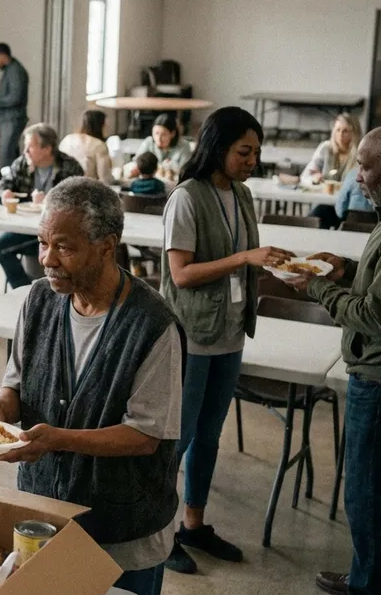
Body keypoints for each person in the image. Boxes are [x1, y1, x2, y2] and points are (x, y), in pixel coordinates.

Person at [0, 177, 184, 595]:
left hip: (122, 530)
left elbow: (144, 436)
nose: (48, 259)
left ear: (107, 246)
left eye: (64, 247)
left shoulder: (152, 326)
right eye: (42, 243)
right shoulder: (39, 300)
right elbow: (16, 384)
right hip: (44, 514)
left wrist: (56, 439)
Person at [159, 106, 294, 575]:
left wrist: (276, 264)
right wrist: (244, 258)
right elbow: (181, 274)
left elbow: (246, 257)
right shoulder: (187, 197)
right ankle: (158, 532)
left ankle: (193, 524)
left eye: (256, 152)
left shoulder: (243, 194)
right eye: (243, 151)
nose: (252, 160)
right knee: (178, 437)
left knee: (210, 436)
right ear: (217, 147)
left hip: (231, 331)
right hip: (193, 334)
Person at [292, 124, 381, 595]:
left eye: (366, 165)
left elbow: (377, 315)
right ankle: (369, 576)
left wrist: (317, 286)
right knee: (372, 491)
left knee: (369, 495)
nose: (356, 175)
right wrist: (347, 270)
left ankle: (371, 587)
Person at [0, 123, 84, 289]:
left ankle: (59, 293)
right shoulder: (23, 164)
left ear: (47, 149)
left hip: (59, 233)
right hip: (26, 229)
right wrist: (4, 195)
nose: (25, 151)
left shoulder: (70, 167)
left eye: (30, 146)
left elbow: (80, 202)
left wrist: (50, 201)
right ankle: (24, 291)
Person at [306, 114, 363, 229]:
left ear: (354, 133)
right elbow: (309, 172)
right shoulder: (325, 148)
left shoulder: (361, 152)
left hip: (349, 206)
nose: (341, 135)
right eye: (338, 130)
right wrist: (315, 175)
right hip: (327, 203)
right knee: (315, 216)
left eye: (345, 131)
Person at [60, 109, 113, 183]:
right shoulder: (99, 145)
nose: (108, 128)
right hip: (86, 188)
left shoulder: (67, 139)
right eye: (105, 125)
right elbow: (104, 178)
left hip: (63, 185)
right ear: (99, 125)